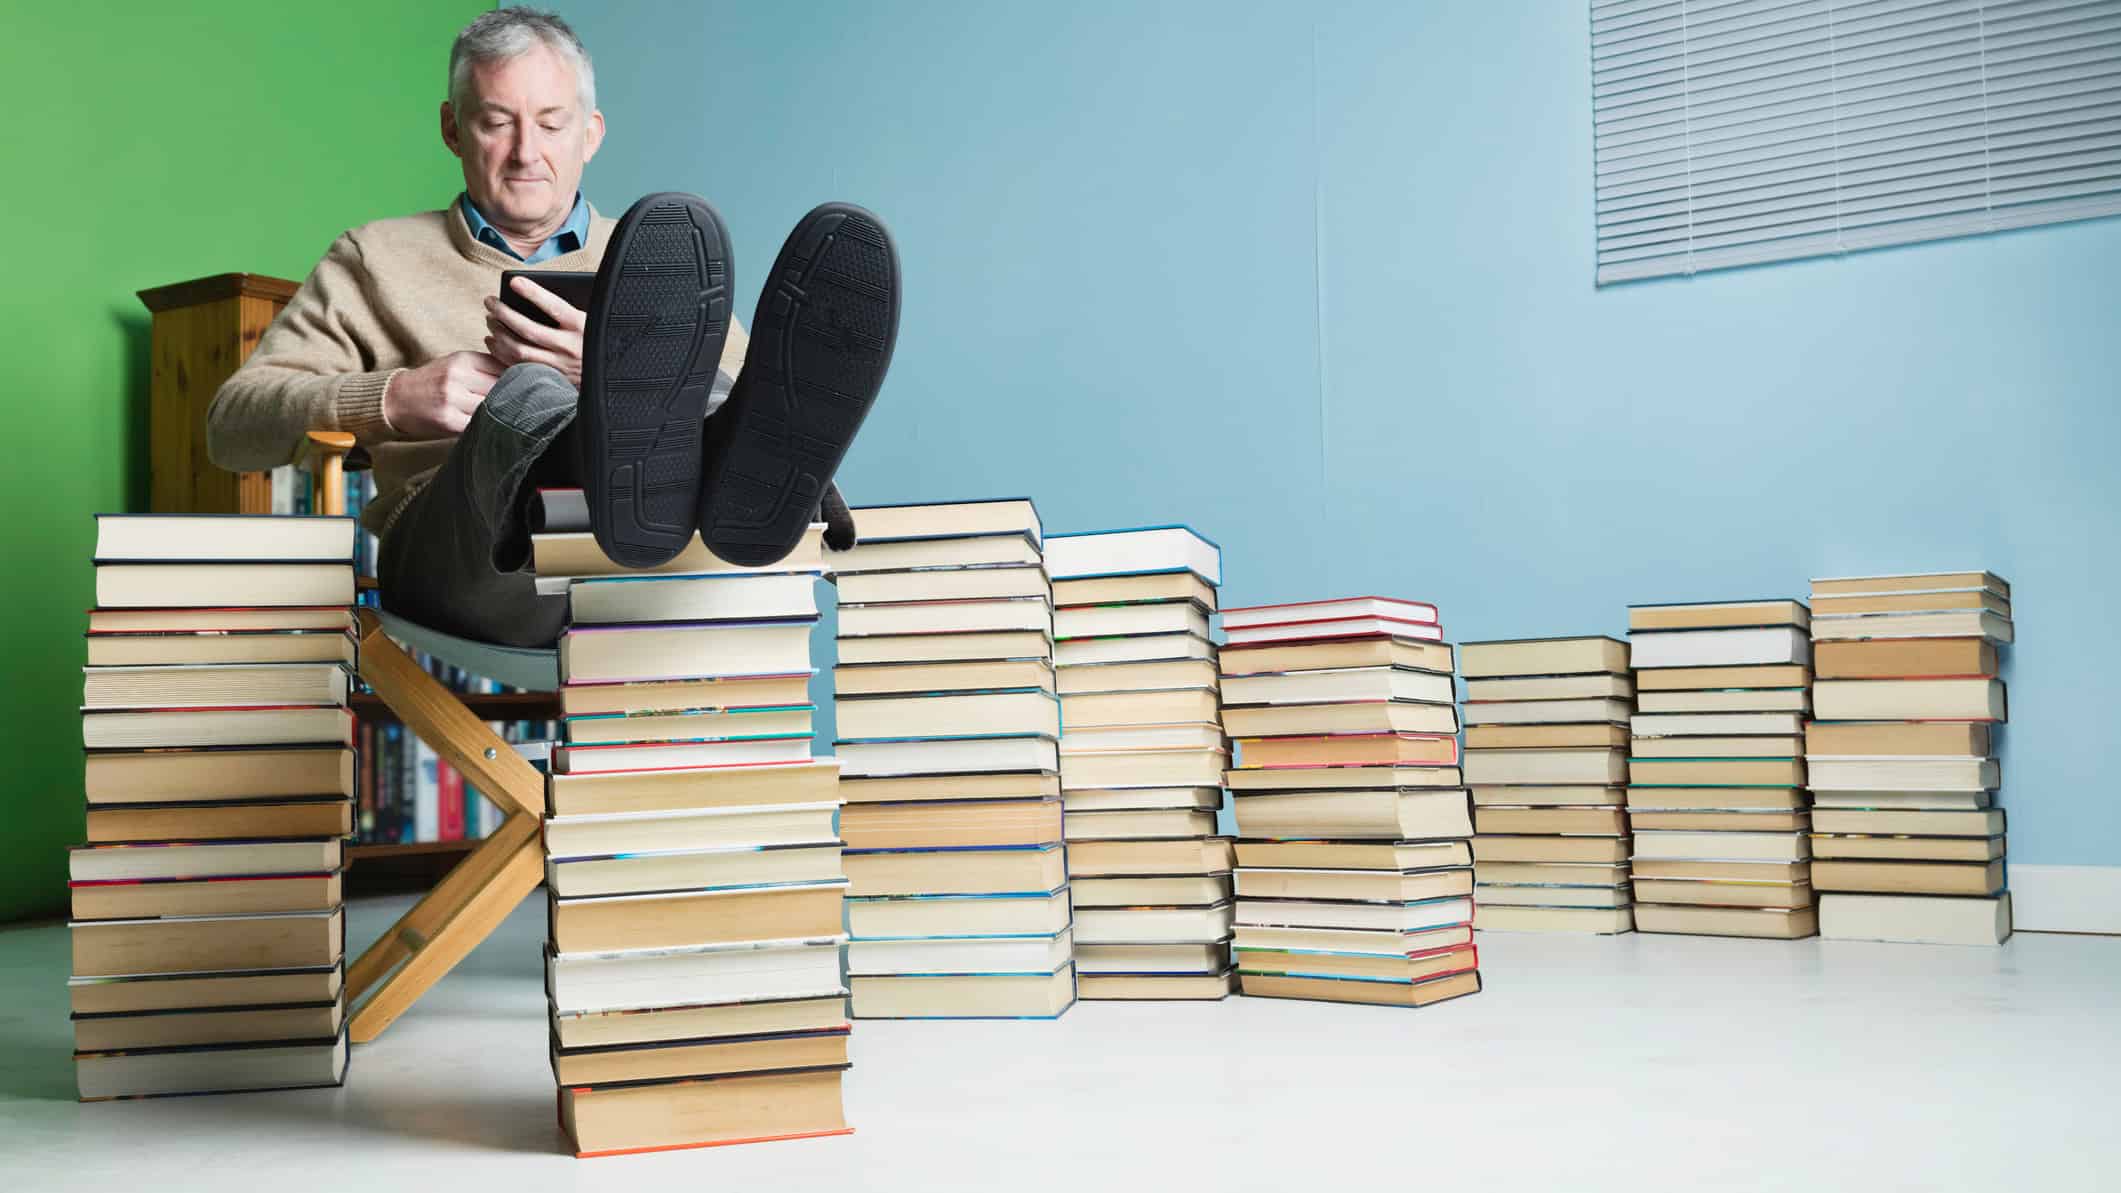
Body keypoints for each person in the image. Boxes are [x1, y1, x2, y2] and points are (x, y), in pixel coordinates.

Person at [207, 7, 896, 646]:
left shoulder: (662, 261)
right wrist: (394, 398)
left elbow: (746, 403)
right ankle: (613, 458)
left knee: (724, 402)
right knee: (527, 391)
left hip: (657, 570)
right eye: (495, 121)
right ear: (453, 129)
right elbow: (229, 427)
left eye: (551, 122)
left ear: (590, 134)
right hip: (465, 566)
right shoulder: (373, 257)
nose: (525, 152)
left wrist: (604, 374)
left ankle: (677, 490)